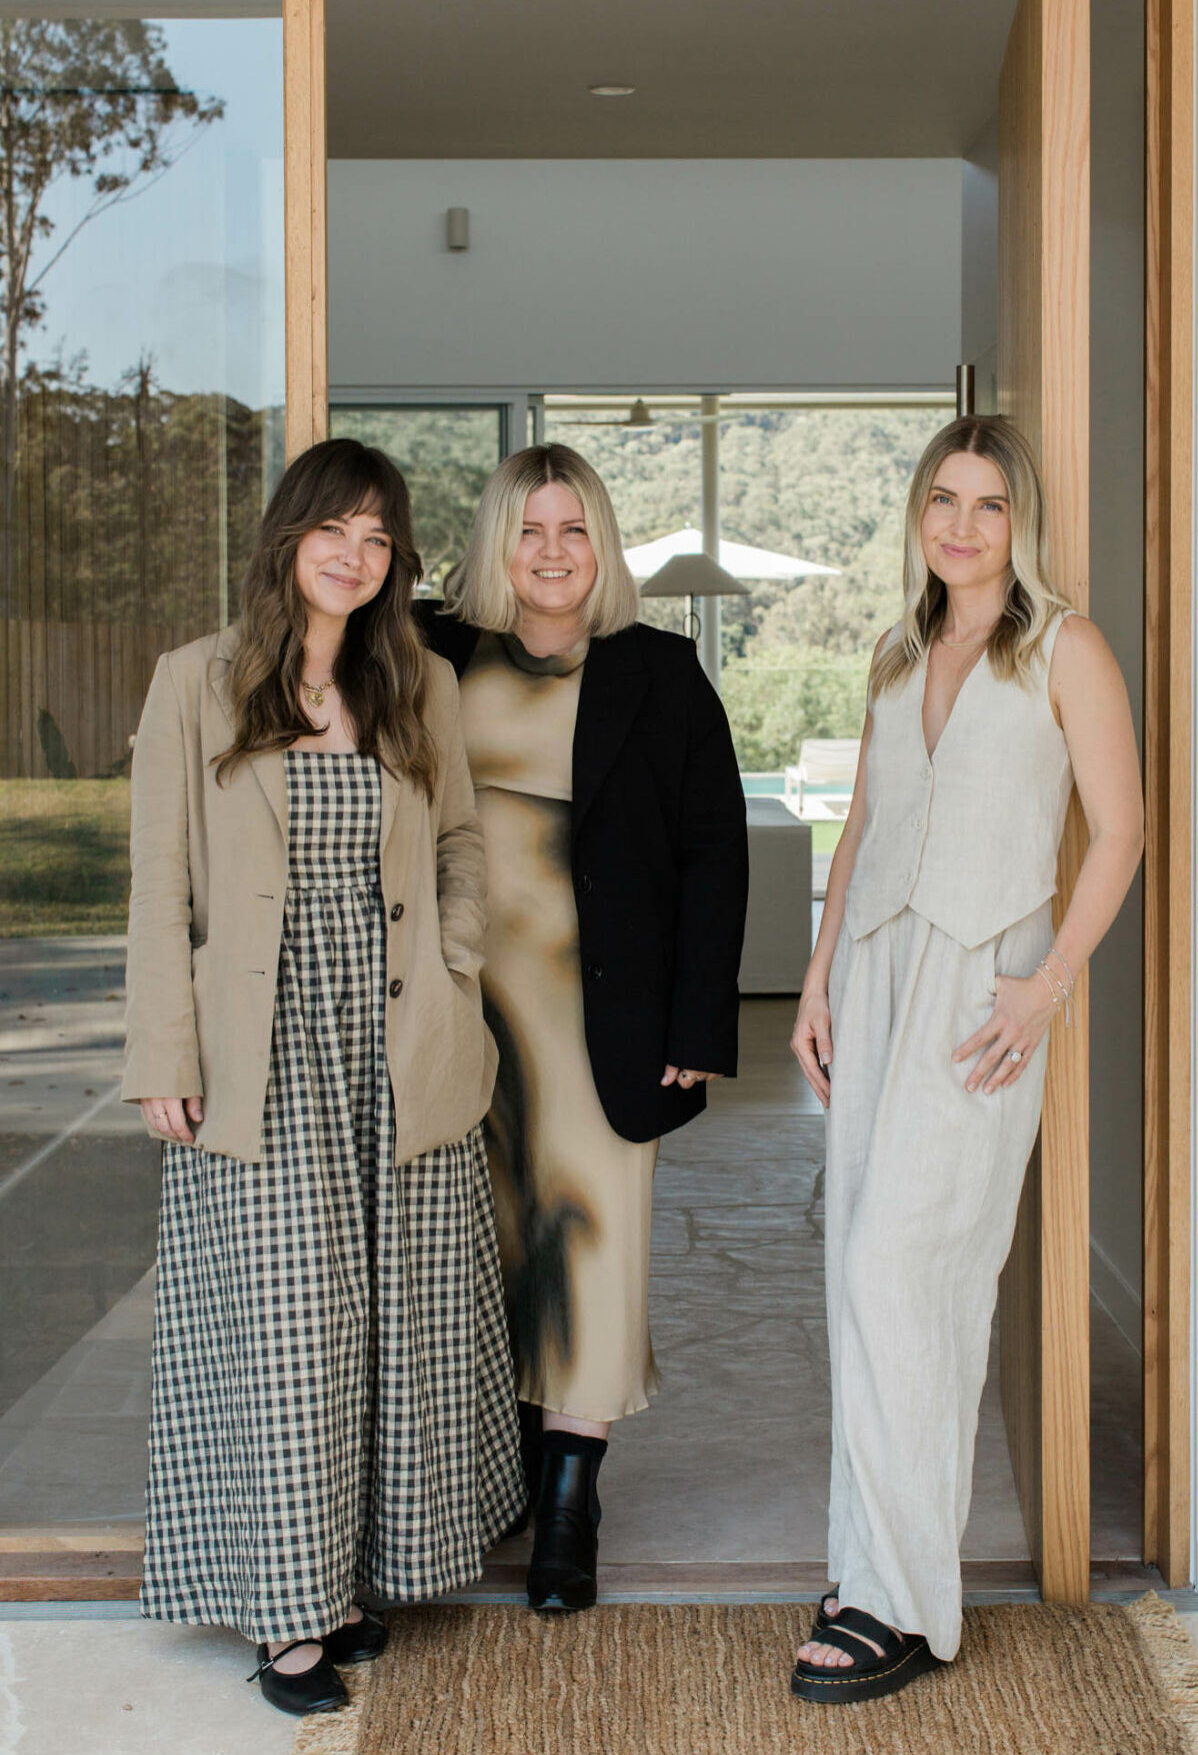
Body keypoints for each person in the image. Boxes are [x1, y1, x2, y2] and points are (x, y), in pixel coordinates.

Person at [123, 439, 525, 1718]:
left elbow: (461, 836)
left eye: (380, 538)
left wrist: (457, 955)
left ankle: (356, 1579)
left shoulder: (412, 684)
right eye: (334, 532)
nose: (357, 558)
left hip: (399, 1050)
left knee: (393, 1325)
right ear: (287, 537)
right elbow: (160, 890)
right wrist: (161, 1055)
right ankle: (287, 1616)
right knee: (288, 1328)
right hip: (265, 1057)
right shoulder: (195, 683)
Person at [789, 416, 1144, 1703]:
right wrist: (819, 978)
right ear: (918, 516)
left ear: (1019, 523)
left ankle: (901, 1598)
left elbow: (1121, 829)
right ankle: (869, 1559)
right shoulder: (896, 651)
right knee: (855, 1272)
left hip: (984, 985)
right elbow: (864, 825)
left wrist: (1048, 988)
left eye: (988, 504)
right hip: (878, 972)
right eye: (943, 498)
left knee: (908, 1273)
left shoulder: (1065, 647)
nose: (962, 524)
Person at [417, 442, 748, 1613]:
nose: (553, 553)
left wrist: (699, 1020)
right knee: (483, 1243)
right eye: (530, 529)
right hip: (455, 1006)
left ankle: (570, 1502)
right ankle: (501, 1471)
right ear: (496, 544)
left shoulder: (659, 672)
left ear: (601, 547)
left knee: (592, 1244)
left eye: (575, 530)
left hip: (600, 1010)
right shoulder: (429, 652)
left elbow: (714, 852)